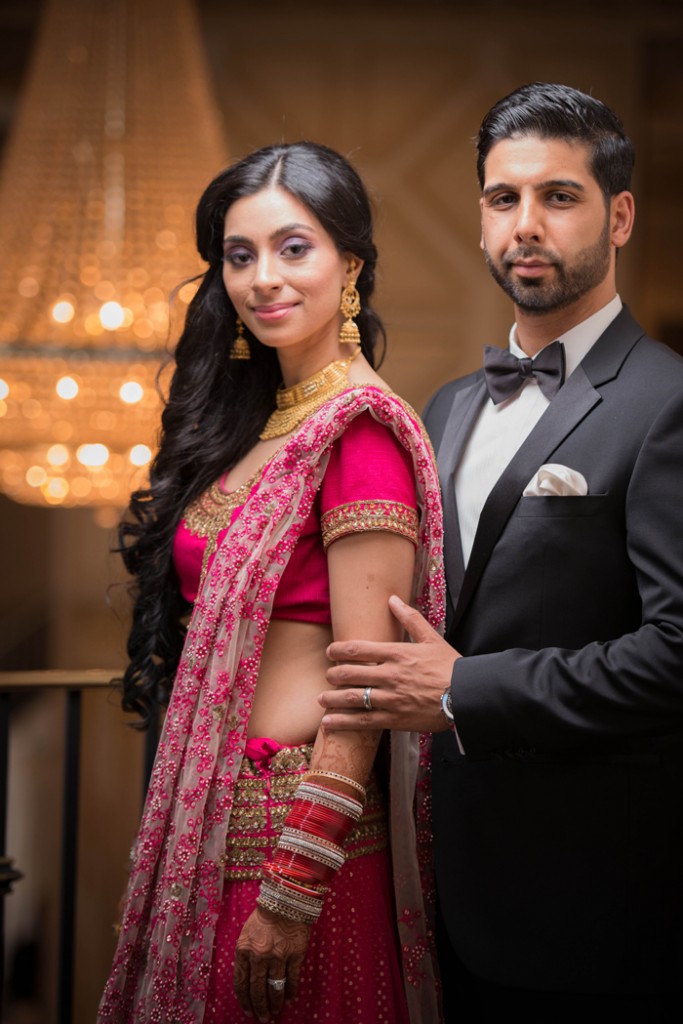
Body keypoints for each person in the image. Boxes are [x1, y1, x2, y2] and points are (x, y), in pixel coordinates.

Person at [319, 83, 683, 1017]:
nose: (525, 224)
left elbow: (675, 655)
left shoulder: (665, 403)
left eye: (558, 197)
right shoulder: (444, 406)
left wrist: (459, 691)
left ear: (620, 214)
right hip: (437, 883)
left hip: (593, 897)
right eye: (502, 198)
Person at [97, 142, 444, 1023]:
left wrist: (292, 888)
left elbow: (367, 687)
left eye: (294, 248)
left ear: (349, 264)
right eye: (240, 255)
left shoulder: (359, 435)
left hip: (298, 844)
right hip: (219, 825)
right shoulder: (266, 425)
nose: (262, 279)